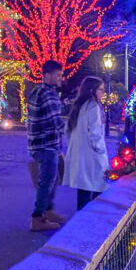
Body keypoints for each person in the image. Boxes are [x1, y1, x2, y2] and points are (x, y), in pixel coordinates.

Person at [27, 60, 66, 231]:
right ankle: (38, 217)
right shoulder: (48, 94)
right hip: (46, 144)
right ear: (47, 75)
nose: (61, 78)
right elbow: (55, 121)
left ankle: (49, 210)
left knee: (51, 178)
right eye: (58, 75)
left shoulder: (38, 90)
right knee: (47, 180)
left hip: (40, 143)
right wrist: (72, 131)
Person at [63, 76, 109, 210]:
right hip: (92, 157)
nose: (103, 93)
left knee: (83, 190)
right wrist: (100, 151)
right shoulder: (94, 107)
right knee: (98, 189)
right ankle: (92, 222)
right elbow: (95, 134)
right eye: (100, 90)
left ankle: (80, 220)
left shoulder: (78, 106)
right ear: (91, 90)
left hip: (79, 156)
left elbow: (68, 131)